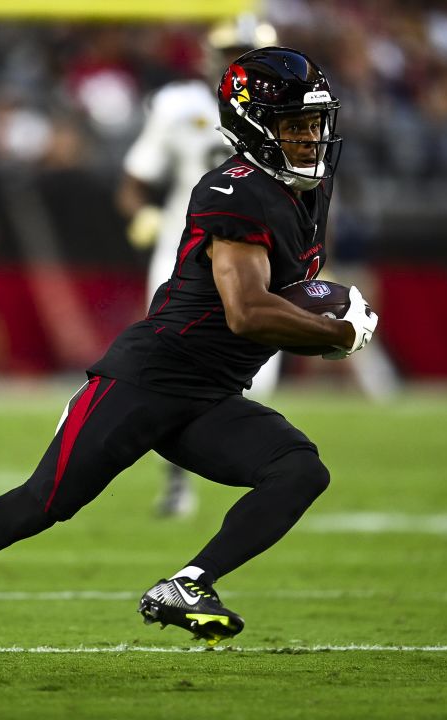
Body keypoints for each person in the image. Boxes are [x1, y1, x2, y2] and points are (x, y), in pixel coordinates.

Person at [0, 47, 379, 672]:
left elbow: (273, 300)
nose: (311, 139)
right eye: (295, 125)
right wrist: (331, 333)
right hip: (148, 377)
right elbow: (247, 312)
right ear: (255, 124)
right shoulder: (235, 190)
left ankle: (188, 583)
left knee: (299, 470)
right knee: (40, 504)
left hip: (212, 392)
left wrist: (321, 318)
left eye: (314, 124)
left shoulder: (304, 190)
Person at [117, 15, 278, 518]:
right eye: (230, 52)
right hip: (183, 254)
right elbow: (133, 180)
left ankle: (259, 470)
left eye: (246, 53)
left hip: (258, 255)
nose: (237, 63)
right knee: (172, 366)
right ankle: (177, 480)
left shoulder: (287, 112)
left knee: (252, 377)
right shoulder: (178, 107)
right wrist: (143, 212)